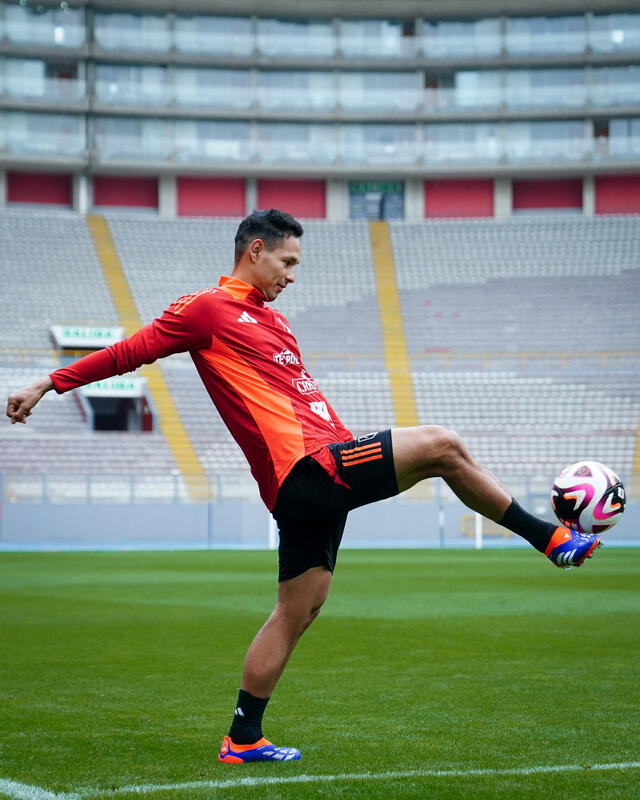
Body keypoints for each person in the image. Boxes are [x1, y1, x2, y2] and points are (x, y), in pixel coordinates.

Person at [6, 208, 602, 764]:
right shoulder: (207, 309)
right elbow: (129, 352)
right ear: (256, 251)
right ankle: (550, 540)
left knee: (299, 611)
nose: (292, 276)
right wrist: (46, 384)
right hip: (306, 470)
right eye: (287, 263)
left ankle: (243, 737)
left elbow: (300, 402)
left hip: (316, 468)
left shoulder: (273, 321)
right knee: (443, 445)